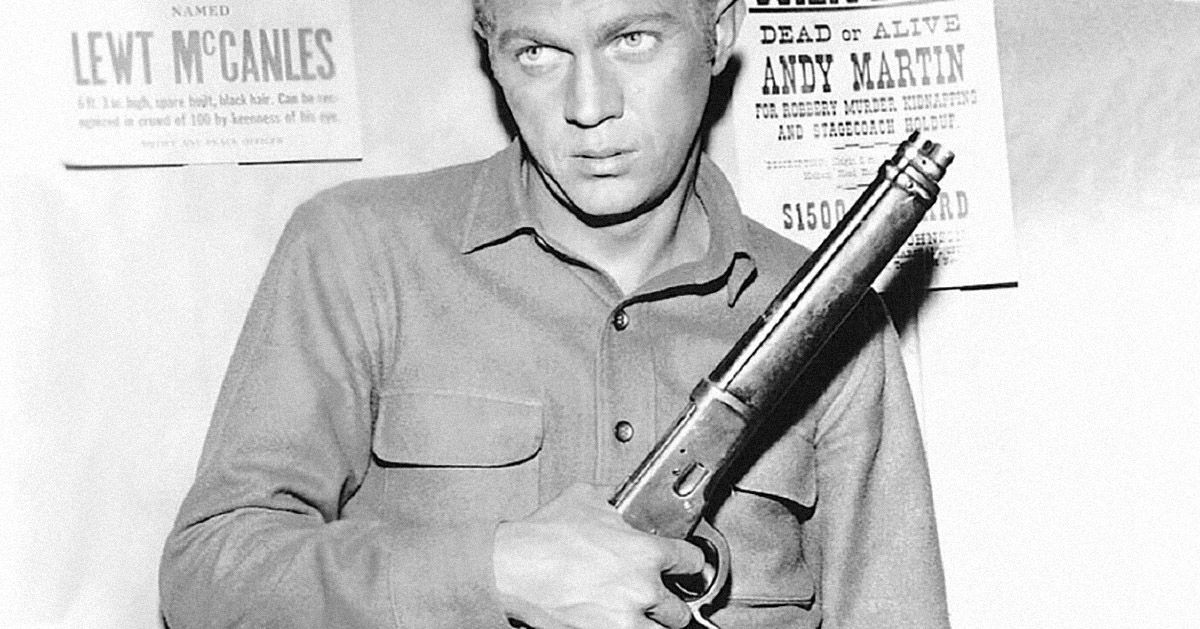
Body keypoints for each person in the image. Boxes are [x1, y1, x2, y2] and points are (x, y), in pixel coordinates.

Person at [159, 0, 949, 627]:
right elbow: (209, 575)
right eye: (537, 52)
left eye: (633, 40)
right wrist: (498, 570)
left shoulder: (830, 319)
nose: (589, 106)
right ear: (490, 51)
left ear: (721, 30)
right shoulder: (360, 251)